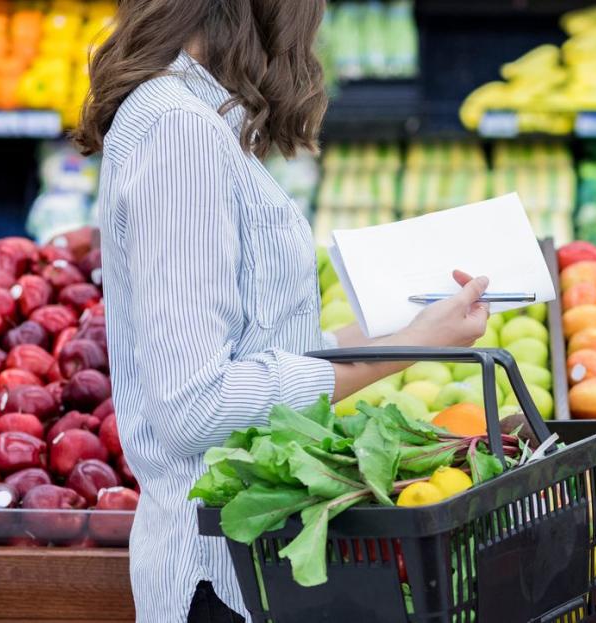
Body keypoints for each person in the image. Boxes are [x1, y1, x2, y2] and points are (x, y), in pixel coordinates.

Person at [74, 2, 489, 621]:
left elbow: (254, 349)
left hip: (251, 567)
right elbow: (197, 404)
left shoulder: (195, 119)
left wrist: (412, 329)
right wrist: (401, 351)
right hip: (216, 580)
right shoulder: (179, 132)